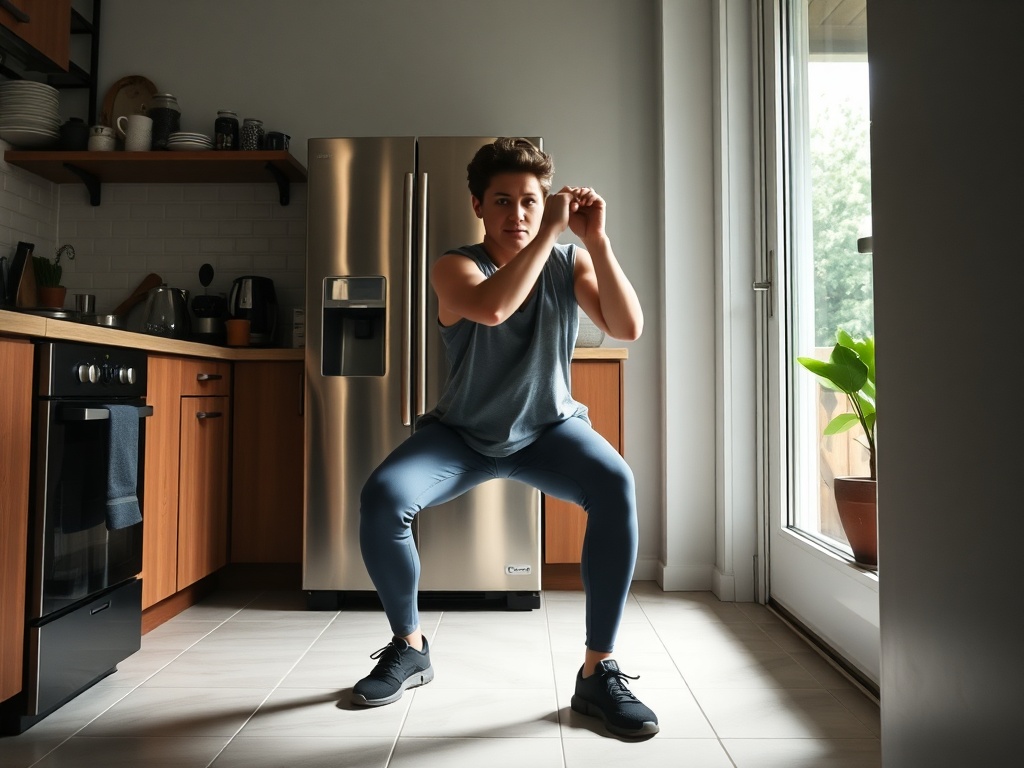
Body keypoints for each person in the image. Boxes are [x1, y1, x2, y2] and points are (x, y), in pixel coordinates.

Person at [352, 137, 657, 738]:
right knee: (383, 497)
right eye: (503, 201)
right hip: (462, 435)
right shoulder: (455, 265)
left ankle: (599, 670)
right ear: (478, 206)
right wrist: (552, 233)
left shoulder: (571, 263)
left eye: (530, 202)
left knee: (616, 486)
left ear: (545, 204)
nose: (518, 214)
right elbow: (492, 310)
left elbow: (629, 326)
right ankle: (409, 645)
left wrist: (596, 239)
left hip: (550, 430)